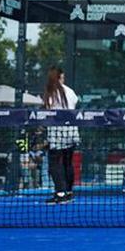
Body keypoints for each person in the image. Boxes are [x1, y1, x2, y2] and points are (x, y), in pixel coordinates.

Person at [42, 67, 80, 204]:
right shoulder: (70, 91)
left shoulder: (51, 92)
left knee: (53, 164)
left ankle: (60, 192)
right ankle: (68, 192)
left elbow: (48, 110)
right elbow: (74, 102)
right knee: (67, 163)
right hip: (71, 131)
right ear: (58, 77)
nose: (63, 80)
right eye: (62, 77)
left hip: (57, 132)